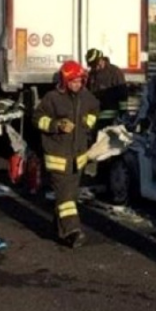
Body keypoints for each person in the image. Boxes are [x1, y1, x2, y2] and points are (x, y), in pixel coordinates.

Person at [33, 60, 100, 248]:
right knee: (66, 199)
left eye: (80, 81)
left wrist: (89, 122)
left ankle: (59, 228)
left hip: (77, 159)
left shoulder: (86, 97)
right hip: (58, 158)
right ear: (65, 81)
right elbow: (37, 119)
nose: (77, 84)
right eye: (73, 81)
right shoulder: (52, 98)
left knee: (68, 196)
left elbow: (95, 109)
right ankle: (72, 231)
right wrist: (57, 125)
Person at [85, 48, 128, 126]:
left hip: (111, 116)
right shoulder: (92, 74)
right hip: (95, 115)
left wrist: (123, 113)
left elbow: (123, 95)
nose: (93, 68)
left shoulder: (115, 73)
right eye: (91, 66)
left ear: (100, 61)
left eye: (94, 65)